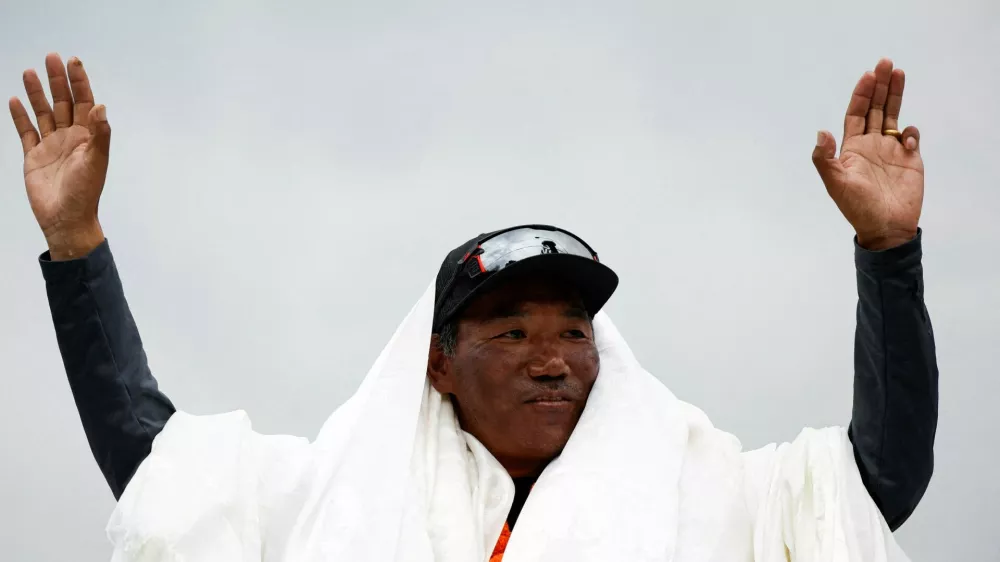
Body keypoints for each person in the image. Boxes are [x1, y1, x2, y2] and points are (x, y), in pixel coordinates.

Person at [11, 54, 937, 560]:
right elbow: (156, 464)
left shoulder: (710, 491)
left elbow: (871, 487)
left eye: (574, 331)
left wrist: (889, 251)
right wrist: (77, 246)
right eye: (512, 332)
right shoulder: (332, 500)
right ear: (438, 361)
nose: (553, 357)